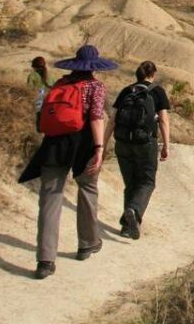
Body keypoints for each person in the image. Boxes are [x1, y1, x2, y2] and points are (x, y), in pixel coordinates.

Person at [18, 44, 115, 280]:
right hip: (83, 142)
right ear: (94, 66)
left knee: (50, 197)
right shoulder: (95, 86)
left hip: (54, 144)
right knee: (88, 190)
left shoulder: (60, 84)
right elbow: (95, 118)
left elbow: (41, 110)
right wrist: (100, 148)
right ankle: (87, 243)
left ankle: (45, 260)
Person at [105, 60, 171, 240]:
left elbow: (112, 120)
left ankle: (127, 227)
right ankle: (134, 211)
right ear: (153, 74)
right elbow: (163, 121)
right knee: (147, 182)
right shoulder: (157, 92)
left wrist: (103, 146)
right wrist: (166, 145)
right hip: (145, 144)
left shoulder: (127, 91)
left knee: (131, 184)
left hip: (123, 143)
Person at [26, 56, 53, 132]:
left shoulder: (32, 76)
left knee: (38, 125)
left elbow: (29, 90)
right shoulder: (50, 76)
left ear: (34, 67)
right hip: (49, 102)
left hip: (38, 102)